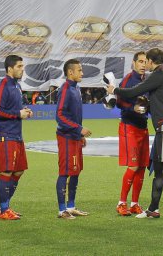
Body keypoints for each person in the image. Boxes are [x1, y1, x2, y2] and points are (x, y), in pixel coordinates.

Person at [107, 48, 163, 222]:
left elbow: (133, 91)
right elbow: (161, 100)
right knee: (158, 168)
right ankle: (153, 209)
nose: (144, 64)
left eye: (145, 61)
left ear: (150, 61)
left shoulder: (157, 76)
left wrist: (115, 90)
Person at [0, 55, 34, 221]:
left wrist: (24, 110)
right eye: (19, 66)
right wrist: (18, 114)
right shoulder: (2, 85)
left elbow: (15, 108)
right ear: (10, 68)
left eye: (22, 66)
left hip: (16, 135)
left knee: (19, 170)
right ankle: (4, 209)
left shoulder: (17, 86)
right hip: (5, 135)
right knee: (7, 171)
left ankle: (5, 206)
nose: (22, 69)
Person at [55, 59, 92, 219]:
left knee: (75, 171)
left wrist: (80, 135)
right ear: (70, 72)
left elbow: (74, 115)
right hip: (66, 137)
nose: (82, 73)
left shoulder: (76, 88)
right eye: (79, 70)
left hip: (75, 137)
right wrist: (78, 129)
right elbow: (59, 116)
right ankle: (61, 210)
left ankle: (71, 207)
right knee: (65, 172)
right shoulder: (65, 89)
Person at [115, 51, 149, 215]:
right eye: (140, 61)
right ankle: (121, 203)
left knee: (141, 167)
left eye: (145, 62)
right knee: (134, 165)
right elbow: (118, 102)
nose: (143, 64)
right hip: (130, 127)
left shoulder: (146, 81)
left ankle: (135, 203)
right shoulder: (128, 80)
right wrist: (132, 108)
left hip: (143, 127)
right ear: (134, 63)